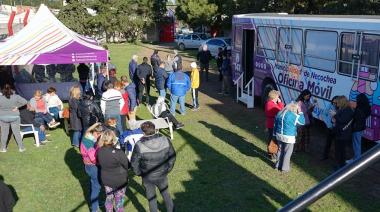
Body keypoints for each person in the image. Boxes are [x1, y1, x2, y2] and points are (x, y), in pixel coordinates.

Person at [131, 121, 176, 212]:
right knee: (166, 194)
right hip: (162, 174)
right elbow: (172, 156)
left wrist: (139, 173)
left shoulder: (139, 145)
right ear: (154, 129)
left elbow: (134, 163)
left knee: (151, 199)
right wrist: (168, 169)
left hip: (148, 176)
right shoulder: (165, 139)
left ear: (143, 132)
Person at [97, 129, 129, 212]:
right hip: (120, 181)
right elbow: (126, 165)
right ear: (113, 139)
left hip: (106, 180)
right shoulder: (118, 153)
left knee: (109, 198)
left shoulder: (99, 151)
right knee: (119, 201)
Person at [273, 102, 305, 172]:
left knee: (280, 150)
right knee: (287, 152)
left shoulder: (279, 113)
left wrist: (274, 134)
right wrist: (300, 112)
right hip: (289, 137)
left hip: (279, 134)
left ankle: (277, 166)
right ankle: (284, 168)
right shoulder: (294, 116)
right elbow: (302, 122)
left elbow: (275, 124)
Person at [80, 123, 103, 212]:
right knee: (96, 187)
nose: (98, 136)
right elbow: (93, 159)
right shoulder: (89, 143)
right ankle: (94, 208)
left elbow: (88, 130)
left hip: (88, 166)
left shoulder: (87, 137)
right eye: (98, 134)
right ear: (94, 132)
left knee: (93, 184)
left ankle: (96, 202)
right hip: (92, 167)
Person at [0, 84, 28, 152]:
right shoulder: (16, 96)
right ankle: (21, 148)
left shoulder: (0, 98)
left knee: (4, 133)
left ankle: (3, 148)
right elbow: (25, 102)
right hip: (14, 116)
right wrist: (17, 106)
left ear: (2, 90)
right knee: (16, 133)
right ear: (12, 89)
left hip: (3, 117)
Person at [333, 96, 354, 169]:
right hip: (340, 132)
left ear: (341, 102)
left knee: (341, 150)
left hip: (343, 133)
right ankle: (339, 164)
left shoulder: (348, 110)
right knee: (338, 149)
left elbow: (342, 120)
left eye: (337, 102)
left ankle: (340, 165)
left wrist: (334, 115)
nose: (336, 104)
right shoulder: (343, 109)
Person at [350, 93, 370, 162]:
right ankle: (357, 158)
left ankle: (356, 160)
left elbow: (355, 118)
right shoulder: (367, 107)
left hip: (357, 128)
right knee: (358, 143)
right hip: (362, 128)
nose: (356, 101)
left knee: (356, 144)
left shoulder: (359, 109)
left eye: (357, 99)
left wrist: (353, 109)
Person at [264, 90, 284, 160]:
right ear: (274, 97)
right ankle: (272, 154)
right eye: (278, 97)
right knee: (273, 139)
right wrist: (280, 102)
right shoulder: (272, 105)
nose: (278, 98)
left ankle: (270, 153)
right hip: (273, 124)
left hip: (270, 123)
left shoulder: (268, 103)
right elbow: (281, 110)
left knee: (271, 138)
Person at [321, 96, 339, 160]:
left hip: (337, 128)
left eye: (335, 102)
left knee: (337, 144)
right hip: (330, 127)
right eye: (333, 102)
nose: (334, 103)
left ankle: (335, 157)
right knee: (328, 142)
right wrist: (328, 123)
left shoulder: (340, 108)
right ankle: (325, 156)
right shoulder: (330, 105)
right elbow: (324, 114)